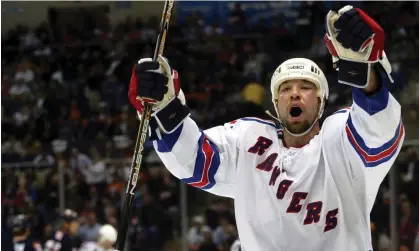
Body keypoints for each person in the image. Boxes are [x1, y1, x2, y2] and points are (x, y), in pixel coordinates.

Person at [128, 5, 404, 251]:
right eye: (286, 88)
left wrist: (365, 75)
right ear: (275, 101)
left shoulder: (342, 139)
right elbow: (194, 161)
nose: (295, 93)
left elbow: (378, 131)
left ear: (321, 101)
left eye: (306, 86)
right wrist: (164, 110)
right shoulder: (248, 140)